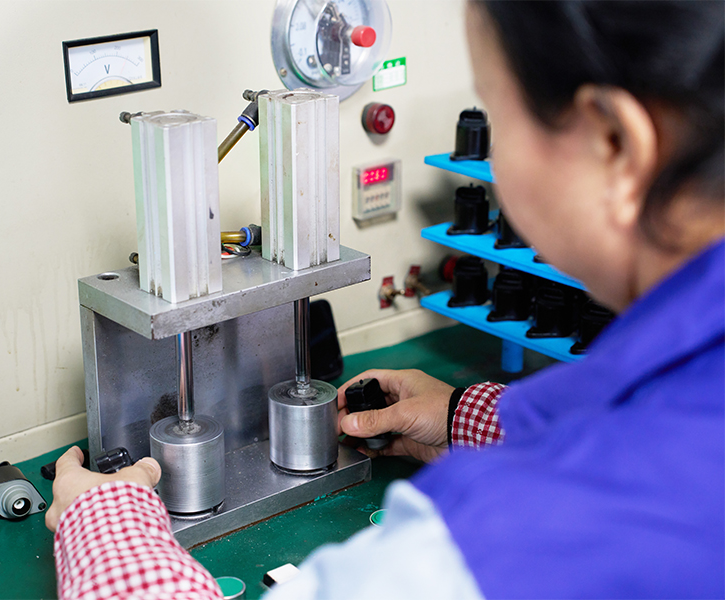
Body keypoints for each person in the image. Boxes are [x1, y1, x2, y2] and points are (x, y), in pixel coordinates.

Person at [45, 1, 725, 598]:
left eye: (499, 114)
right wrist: (464, 418)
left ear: (613, 144)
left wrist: (101, 523)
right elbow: (612, 419)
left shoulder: (506, 539)